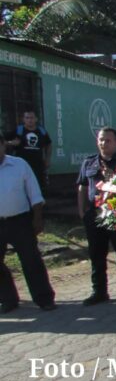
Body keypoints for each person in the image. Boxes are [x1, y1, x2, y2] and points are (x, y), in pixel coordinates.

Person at [77, 127, 116, 306]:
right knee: (96, 254)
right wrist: (82, 211)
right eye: (101, 140)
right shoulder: (89, 163)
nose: (104, 143)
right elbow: (82, 187)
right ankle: (99, 291)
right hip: (95, 214)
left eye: (108, 140)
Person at [0, 132, 56, 313]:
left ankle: (44, 299)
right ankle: (8, 299)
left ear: (3, 145)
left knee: (31, 260)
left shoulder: (19, 165)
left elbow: (34, 193)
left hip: (21, 221)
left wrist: (37, 218)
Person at [7, 111, 51, 195]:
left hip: (37, 165)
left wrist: (48, 158)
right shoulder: (18, 130)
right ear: (23, 119)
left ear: (36, 119)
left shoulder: (41, 131)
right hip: (21, 164)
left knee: (38, 187)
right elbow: (3, 142)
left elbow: (49, 144)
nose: (29, 120)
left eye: (31, 118)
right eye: (27, 118)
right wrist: (11, 143)